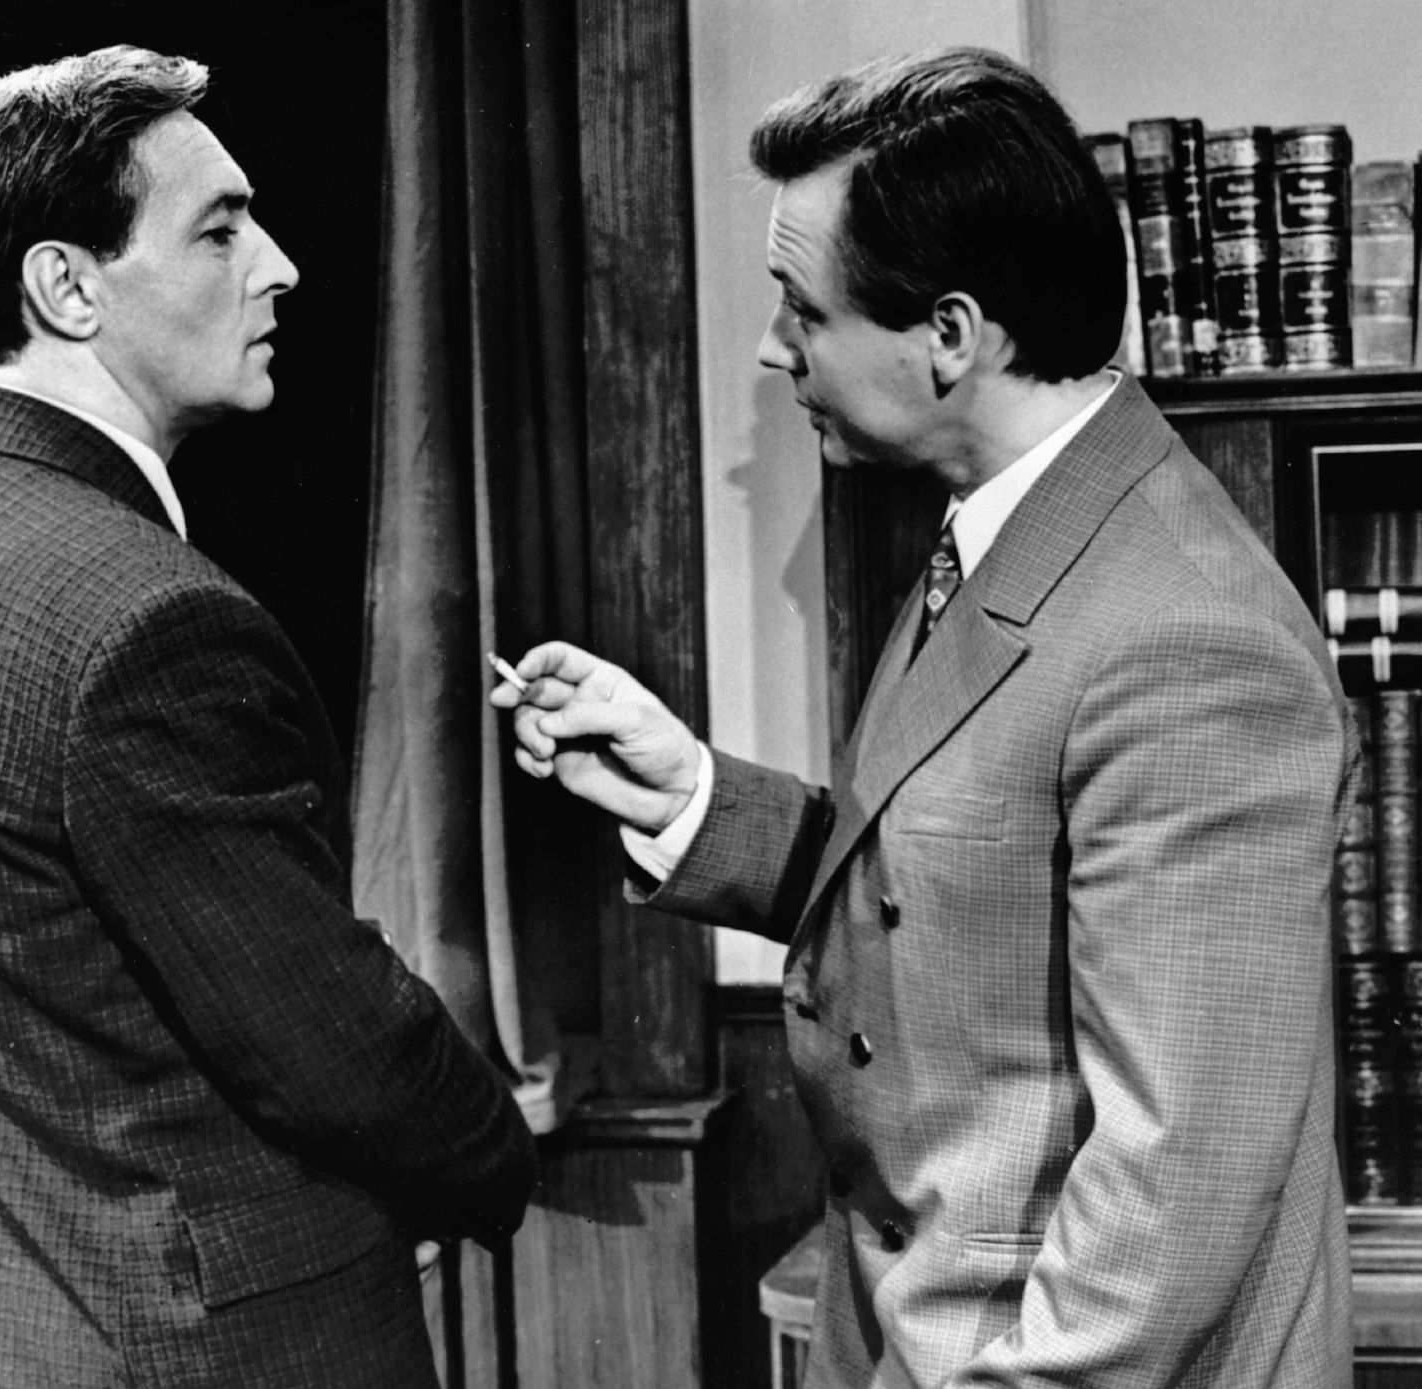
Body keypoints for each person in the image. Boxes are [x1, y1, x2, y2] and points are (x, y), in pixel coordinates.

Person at [493, 47, 1353, 1388]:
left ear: (950, 335)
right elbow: (955, 900)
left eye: (802, 307)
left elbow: (1174, 1191)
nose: (774, 347)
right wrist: (692, 799)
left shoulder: (1189, 638)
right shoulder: (1015, 529)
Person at [0, 45, 535, 1389]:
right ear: (67, 287)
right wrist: (500, 1156)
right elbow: (335, 1048)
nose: (280, 266)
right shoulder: (150, 623)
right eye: (219, 229)